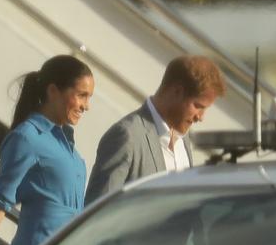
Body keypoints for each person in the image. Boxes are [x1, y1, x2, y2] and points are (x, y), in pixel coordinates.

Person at [0, 55, 95, 245]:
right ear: (53, 91)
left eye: (89, 97)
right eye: (81, 95)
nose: (87, 106)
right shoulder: (27, 137)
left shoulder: (70, 149)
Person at [85, 55, 225, 205]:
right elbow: (99, 212)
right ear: (177, 91)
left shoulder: (183, 140)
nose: (201, 117)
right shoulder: (126, 136)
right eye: (198, 106)